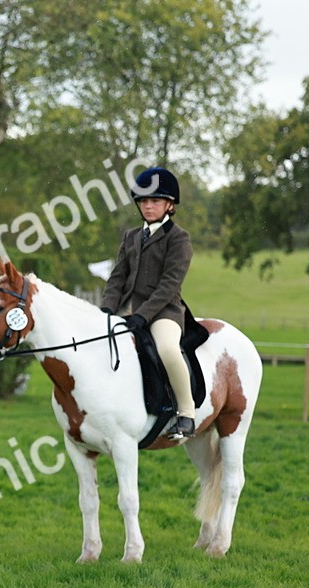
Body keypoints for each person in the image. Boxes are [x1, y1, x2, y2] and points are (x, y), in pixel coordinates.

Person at [100, 166, 196, 440]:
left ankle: (186, 413)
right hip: (128, 311)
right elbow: (117, 277)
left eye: (155, 201)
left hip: (164, 312)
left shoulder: (179, 238)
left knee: (167, 349)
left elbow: (169, 284)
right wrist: (106, 309)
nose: (148, 206)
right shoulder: (131, 236)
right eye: (144, 201)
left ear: (169, 205)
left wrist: (143, 315)